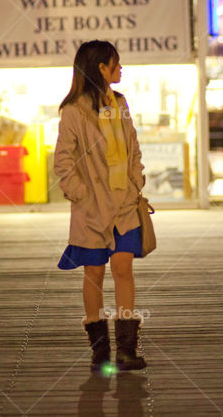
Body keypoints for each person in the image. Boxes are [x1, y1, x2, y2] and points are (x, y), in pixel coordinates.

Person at [54, 40, 148, 375]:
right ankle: (100, 353)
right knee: (94, 274)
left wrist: (136, 184)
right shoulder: (74, 110)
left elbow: (133, 148)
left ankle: (126, 350)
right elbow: (62, 161)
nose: (120, 69)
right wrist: (82, 195)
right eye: (115, 64)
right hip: (91, 211)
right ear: (101, 69)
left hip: (124, 205)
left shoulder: (119, 103)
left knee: (123, 269)